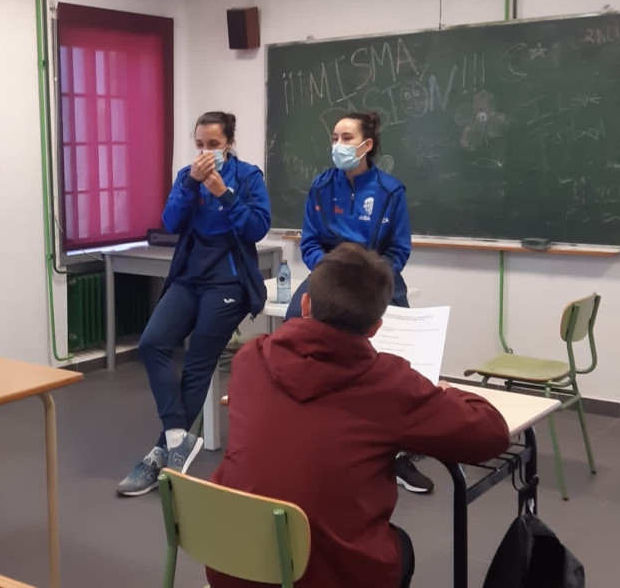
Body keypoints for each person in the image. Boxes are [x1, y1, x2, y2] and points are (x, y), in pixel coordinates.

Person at [208, 243, 511, 588]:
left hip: (233, 566)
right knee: (401, 548)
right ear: (376, 327)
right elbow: (491, 433)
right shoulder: (390, 384)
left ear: (305, 304)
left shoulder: (251, 358)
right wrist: (444, 391)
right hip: (327, 576)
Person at [117, 112, 271, 497]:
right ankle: (175, 438)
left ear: (229, 144)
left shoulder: (249, 176)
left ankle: (158, 454)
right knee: (153, 343)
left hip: (229, 280)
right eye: (200, 144)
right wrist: (190, 184)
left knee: (198, 361)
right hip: (189, 276)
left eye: (213, 145)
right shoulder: (188, 175)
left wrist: (224, 194)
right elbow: (170, 222)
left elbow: (257, 227)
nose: (205, 153)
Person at [285, 112, 434, 493]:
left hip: (376, 277)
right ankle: (307, 431)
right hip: (329, 274)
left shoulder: (390, 191)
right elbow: (310, 242)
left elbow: (399, 249)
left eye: (346, 137)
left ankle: (399, 453)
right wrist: (330, 271)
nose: (337, 145)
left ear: (367, 145)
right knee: (292, 324)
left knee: (406, 349)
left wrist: (373, 278)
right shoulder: (320, 186)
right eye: (334, 136)